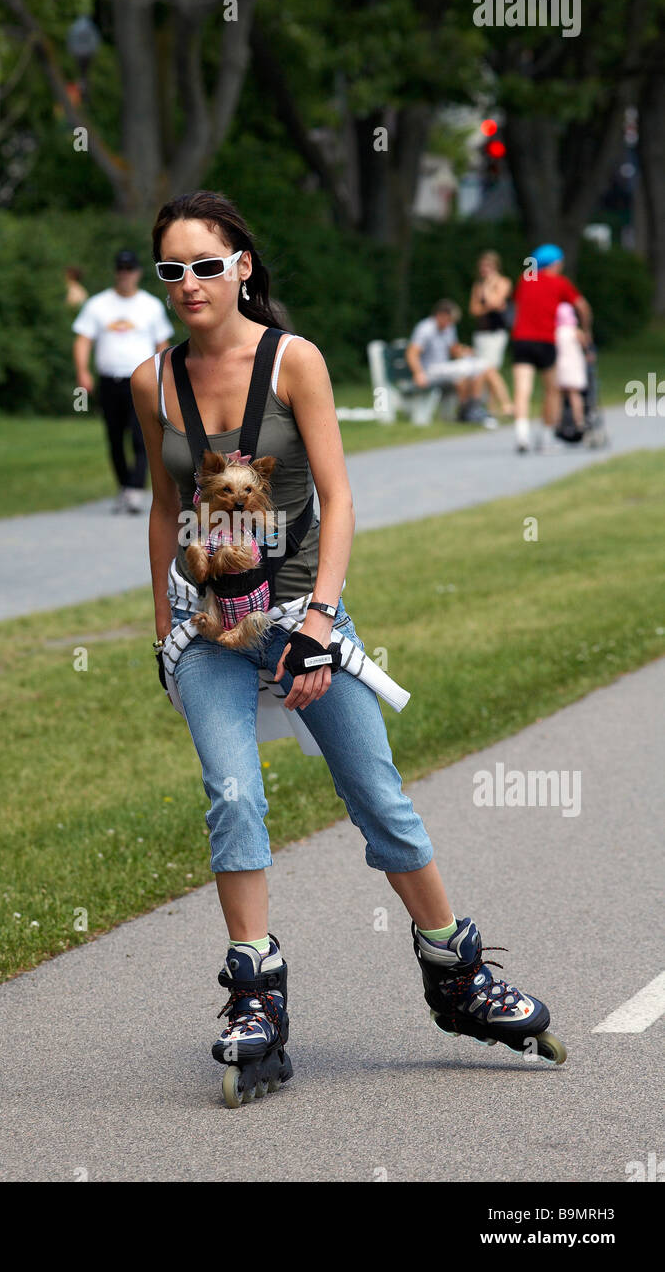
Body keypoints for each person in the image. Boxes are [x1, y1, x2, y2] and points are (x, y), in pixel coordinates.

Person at [130, 189, 564, 1107]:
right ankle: (255, 994)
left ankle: (457, 976)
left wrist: (322, 624)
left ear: (243, 266)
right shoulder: (151, 380)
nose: (191, 284)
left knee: (379, 798)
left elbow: (339, 496)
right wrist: (159, 624)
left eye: (208, 265)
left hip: (301, 620)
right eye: (173, 269)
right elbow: (166, 510)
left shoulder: (295, 362)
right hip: (208, 631)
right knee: (233, 793)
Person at [73, 248, 174, 514]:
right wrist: (82, 371)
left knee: (141, 435)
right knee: (114, 436)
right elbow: (83, 339)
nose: (125, 275)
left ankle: (135, 490)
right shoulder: (98, 305)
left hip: (140, 380)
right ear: (116, 272)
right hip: (109, 379)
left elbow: (162, 343)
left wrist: (162, 374)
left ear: (138, 273)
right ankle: (123, 485)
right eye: (121, 270)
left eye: (130, 270)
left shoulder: (150, 306)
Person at [510, 244, 593, 454]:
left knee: (522, 389)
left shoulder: (525, 279)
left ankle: (522, 435)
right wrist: (586, 330)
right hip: (546, 340)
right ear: (555, 263)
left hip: (522, 339)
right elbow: (582, 306)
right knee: (552, 391)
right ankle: (546, 436)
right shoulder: (560, 283)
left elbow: (518, 303)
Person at [405, 300, 498, 428]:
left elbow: (452, 350)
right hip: (430, 370)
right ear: (440, 315)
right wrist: (418, 373)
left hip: (444, 368)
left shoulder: (448, 328)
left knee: (472, 371)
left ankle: (470, 408)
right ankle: (470, 410)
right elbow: (412, 353)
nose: (450, 323)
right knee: (472, 368)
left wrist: (463, 351)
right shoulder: (425, 329)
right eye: (448, 319)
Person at [468, 250, 514, 417]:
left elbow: (495, 302)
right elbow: (474, 309)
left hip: (496, 332)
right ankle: (491, 407)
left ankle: (506, 403)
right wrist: (489, 303)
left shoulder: (502, 282)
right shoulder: (478, 285)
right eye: (482, 266)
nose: (484, 270)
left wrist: (487, 289)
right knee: (486, 371)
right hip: (481, 332)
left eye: (487, 266)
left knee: (489, 369)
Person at [554, 301, 588, 436]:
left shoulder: (555, 332)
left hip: (559, 366)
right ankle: (579, 422)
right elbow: (586, 345)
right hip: (573, 366)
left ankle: (557, 422)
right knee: (575, 395)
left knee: (558, 396)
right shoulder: (575, 332)